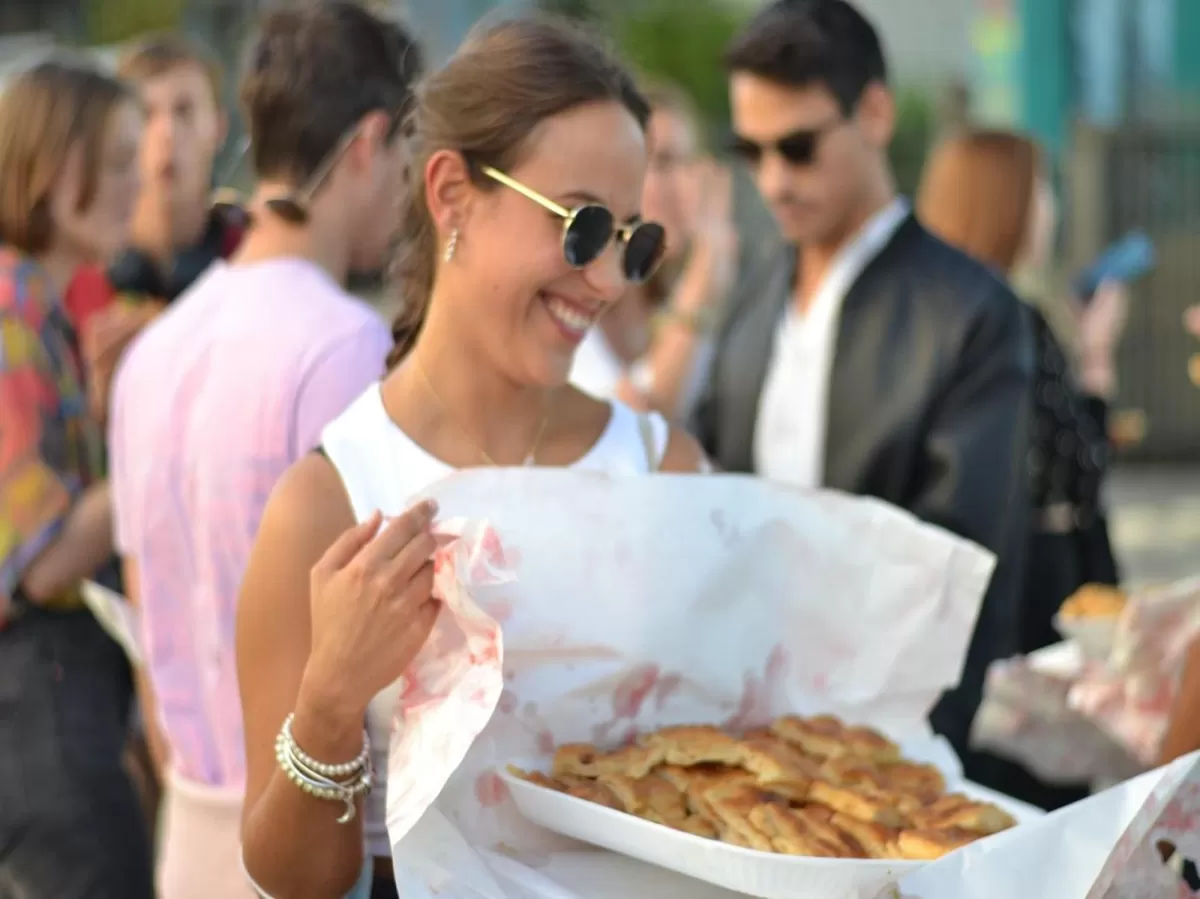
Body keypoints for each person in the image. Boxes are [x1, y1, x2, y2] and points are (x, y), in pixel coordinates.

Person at [236, 15, 705, 899]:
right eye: (582, 227)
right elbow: (290, 880)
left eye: (633, 241)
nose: (606, 278)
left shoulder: (666, 471)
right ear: (452, 194)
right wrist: (330, 704)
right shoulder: (329, 505)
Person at [105, 4, 422, 897]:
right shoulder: (347, 346)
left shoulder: (156, 347)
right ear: (367, 143)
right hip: (301, 838)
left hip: (187, 828)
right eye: (405, 162)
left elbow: (144, 619)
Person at [696, 0, 1033, 784]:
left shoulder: (972, 312)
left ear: (874, 112)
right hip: (745, 742)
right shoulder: (753, 302)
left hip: (895, 756)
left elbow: (961, 567)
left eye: (800, 146)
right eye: (752, 150)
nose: (775, 179)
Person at [917, 129, 1129, 809]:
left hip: (962, 599)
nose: (1051, 208)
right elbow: (1080, 467)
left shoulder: (931, 318)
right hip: (1038, 592)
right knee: (1037, 802)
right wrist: (1095, 358)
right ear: (1004, 202)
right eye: (1041, 190)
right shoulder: (1010, 317)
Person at [0, 60, 151, 898]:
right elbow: (43, 558)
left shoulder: (39, 304)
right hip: (39, 693)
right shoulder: (12, 308)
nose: (140, 183)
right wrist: (163, 447)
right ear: (60, 172)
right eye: (121, 159)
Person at [68, 34, 245, 424]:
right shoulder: (73, 280)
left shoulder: (255, 261)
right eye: (146, 115)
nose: (166, 134)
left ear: (218, 127)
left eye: (184, 112)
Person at [569, 80, 738, 419]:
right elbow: (641, 422)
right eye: (661, 163)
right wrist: (709, 261)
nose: (684, 185)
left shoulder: (674, 298)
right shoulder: (573, 299)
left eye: (687, 164)